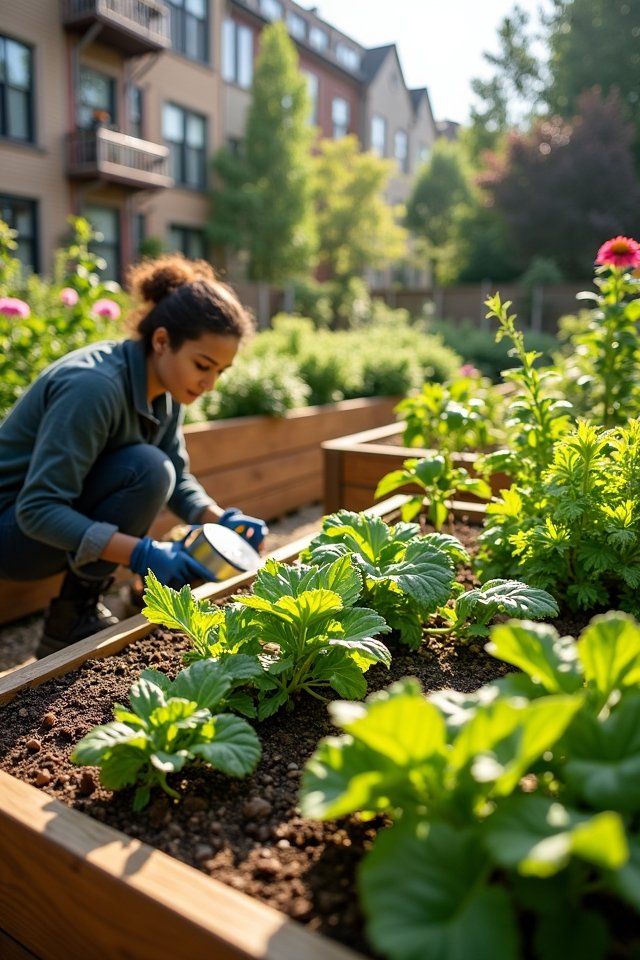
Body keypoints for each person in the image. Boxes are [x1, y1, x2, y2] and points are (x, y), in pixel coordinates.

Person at [0, 254, 267, 659]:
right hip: (12, 533)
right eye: (203, 365)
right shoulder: (93, 387)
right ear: (161, 341)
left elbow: (176, 476)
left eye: (220, 371)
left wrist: (218, 519)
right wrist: (143, 553)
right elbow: (37, 509)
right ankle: (74, 619)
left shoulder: (165, 387)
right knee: (147, 468)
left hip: (40, 528)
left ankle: (91, 611)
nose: (210, 384)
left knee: (155, 468)